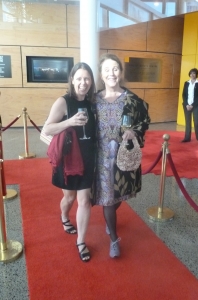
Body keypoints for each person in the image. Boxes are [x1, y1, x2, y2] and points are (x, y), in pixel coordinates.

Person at [93, 53, 150, 258]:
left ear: (121, 72)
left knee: (118, 196)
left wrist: (134, 131)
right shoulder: (94, 100)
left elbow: (144, 119)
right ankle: (114, 240)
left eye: (115, 69)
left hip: (121, 157)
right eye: (107, 69)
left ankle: (110, 221)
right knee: (108, 199)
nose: (111, 73)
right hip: (100, 159)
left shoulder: (132, 99)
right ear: (101, 74)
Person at [44, 62, 96, 262]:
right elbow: (47, 128)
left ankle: (81, 241)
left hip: (88, 158)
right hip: (68, 159)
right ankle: (64, 216)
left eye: (87, 79)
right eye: (79, 79)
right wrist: (70, 121)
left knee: (84, 201)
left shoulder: (92, 103)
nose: (83, 83)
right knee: (70, 198)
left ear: (91, 81)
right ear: (72, 80)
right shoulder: (63, 102)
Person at [181, 68, 198, 143]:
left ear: (196, 74)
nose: (192, 75)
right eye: (191, 73)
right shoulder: (186, 83)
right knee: (188, 122)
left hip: (196, 106)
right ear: (189, 74)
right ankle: (187, 138)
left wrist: (192, 105)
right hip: (186, 105)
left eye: (194, 73)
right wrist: (186, 104)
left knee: (197, 122)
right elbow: (184, 95)